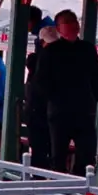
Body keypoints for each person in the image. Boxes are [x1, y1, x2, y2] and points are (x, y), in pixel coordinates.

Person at [31, 6, 98, 171]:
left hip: (84, 109)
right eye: (68, 22)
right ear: (59, 29)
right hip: (60, 110)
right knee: (58, 154)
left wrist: (93, 98)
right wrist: (54, 98)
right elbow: (40, 81)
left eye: (75, 21)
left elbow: (97, 75)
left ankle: (79, 187)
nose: (73, 25)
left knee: (86, 153)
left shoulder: (87, 49)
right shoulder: (51, 51)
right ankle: (58, 189)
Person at [24, 17, 56, 166]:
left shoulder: (38, 59)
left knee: (39, 149)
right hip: (51, 112)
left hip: (38, 111)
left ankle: (39, 179)